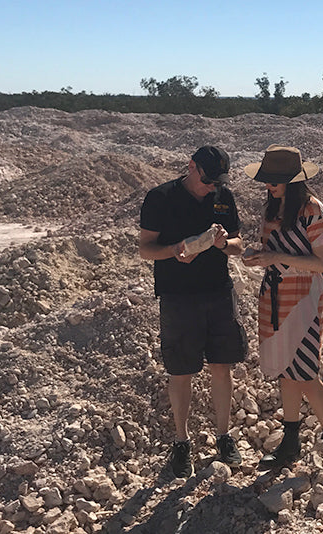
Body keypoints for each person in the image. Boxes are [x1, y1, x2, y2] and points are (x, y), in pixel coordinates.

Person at [138, 146, 248, 478]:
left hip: (218, 292)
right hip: (178, 296)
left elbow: (240, 245)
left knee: (221, 366)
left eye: (217, 181)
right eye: (207, 179)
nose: (212, 186)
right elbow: (145, 249)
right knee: (181, 369)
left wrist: (223, 244)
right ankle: (181, 442)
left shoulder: (223, 197)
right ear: (191, 166)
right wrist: (173, 251)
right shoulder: (160, 198)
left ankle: (224, 436)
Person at [241, 145, 323, 470]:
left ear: (291, 179)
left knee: (305, 373)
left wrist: (276, 258)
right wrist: (258, 257)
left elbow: (320, 262)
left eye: (273, 180)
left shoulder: (311, 208)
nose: (268, 185)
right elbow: (272, 251)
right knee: (287, 374)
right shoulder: (271, 210)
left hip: (304, 300)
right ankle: (291, 443)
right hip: (274, 298)